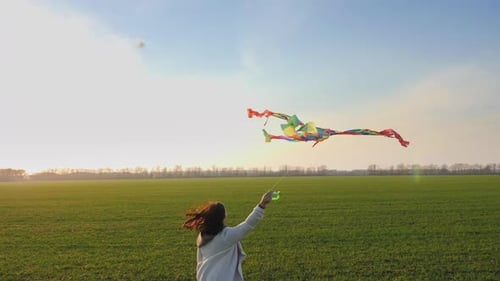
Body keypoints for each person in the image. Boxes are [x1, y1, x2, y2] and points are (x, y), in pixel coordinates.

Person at [182, 190, 274, 281]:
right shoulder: (226, 236)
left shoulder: (202, 236)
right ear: (222, 217)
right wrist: (262, 204)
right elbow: (248, 225)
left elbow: (199, 261)